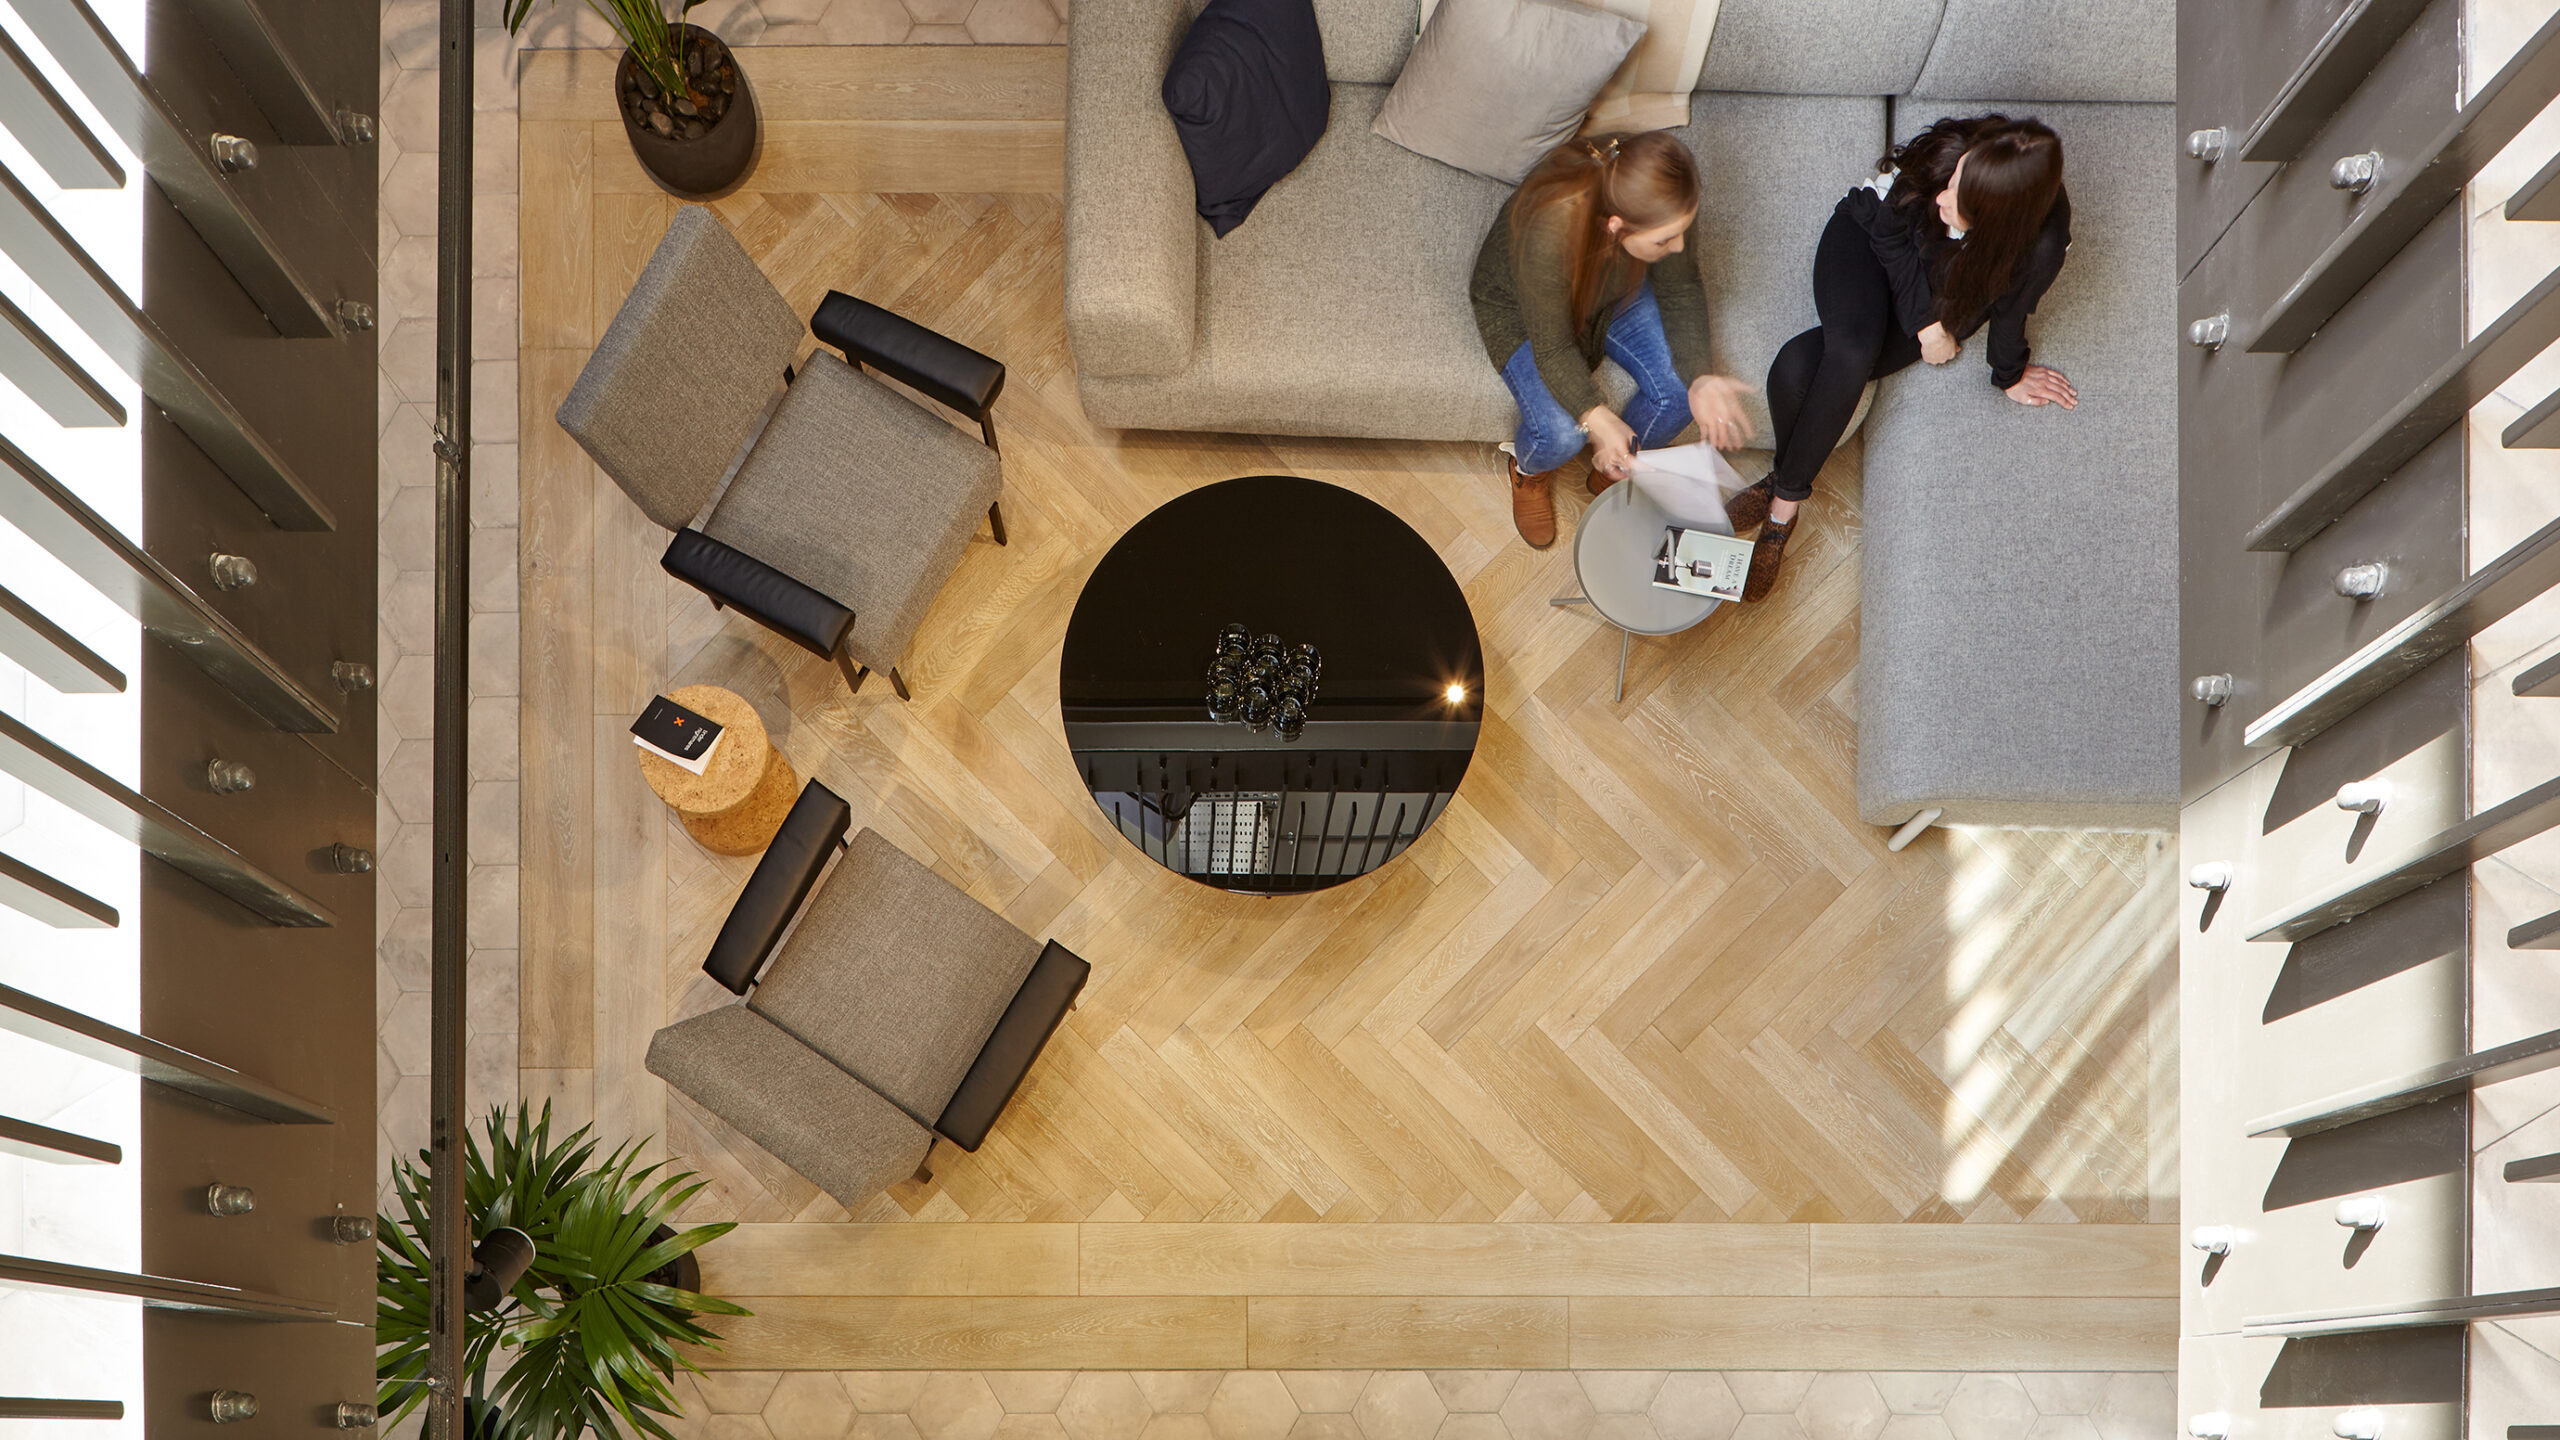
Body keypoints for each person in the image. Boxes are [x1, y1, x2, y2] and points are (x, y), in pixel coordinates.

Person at [1730, 114, 2077, 601]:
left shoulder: (2040, 246)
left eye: (1958, 202)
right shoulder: (1957, 150)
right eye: (1951, 182)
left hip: (1940, 291)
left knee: (1797, 363)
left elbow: (2011, 308)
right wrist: (1926, 327)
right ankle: (1784, 509)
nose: (1941, 199)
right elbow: (1888, 231)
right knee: (1850, 351)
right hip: (1871, 239)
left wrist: (2010, 373)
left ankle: (1779, 479)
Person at [1471, 131, 1756, 550]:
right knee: (1562, 433)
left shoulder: (1665, 201)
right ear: (1615, 226)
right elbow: (1553, 347)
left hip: (1613, 293)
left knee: (1680, 392)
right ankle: (1529, 471)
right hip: (1524, 311)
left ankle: (1615, 466)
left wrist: (1699, 375)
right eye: (1665, 240)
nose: (1679, 246)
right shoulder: (1549, 230)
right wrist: (1596, 417)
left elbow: (1681, 287)